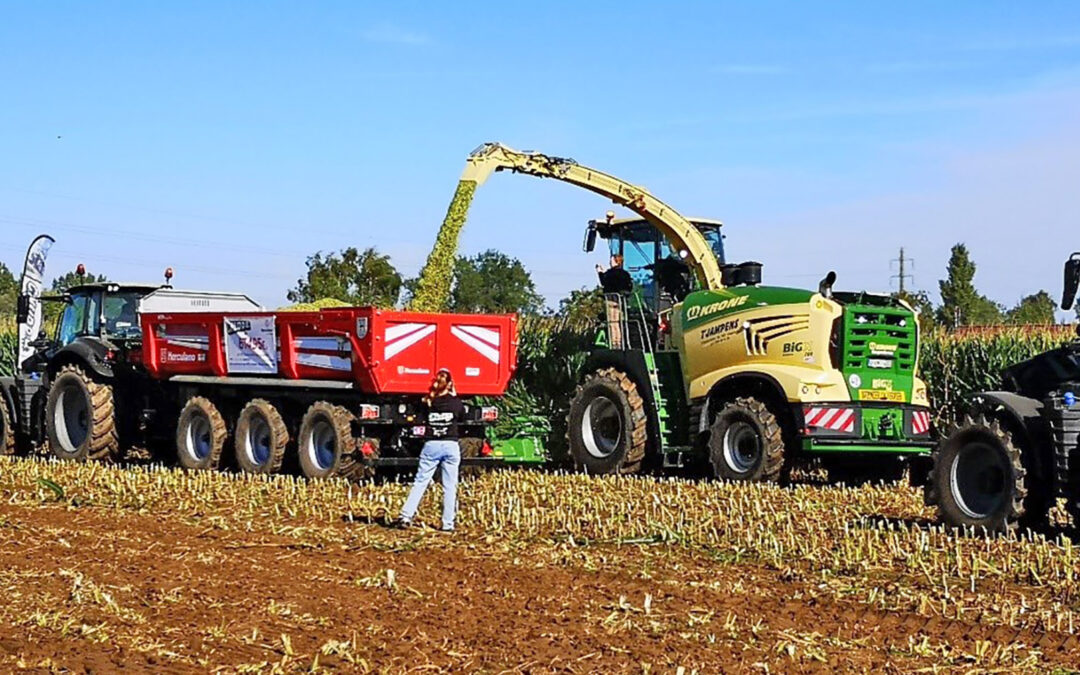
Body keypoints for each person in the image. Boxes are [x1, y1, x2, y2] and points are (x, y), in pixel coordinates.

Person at [393, 368, 465, 532]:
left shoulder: (428, 402)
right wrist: (455, 396)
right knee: (450, 486)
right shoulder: (456, 403)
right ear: (450, 384)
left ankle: (405, 516)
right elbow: (462, 417)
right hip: (450, 445)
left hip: (431, 445)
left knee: (420, 482)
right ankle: (448, 524)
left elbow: (418, 418)